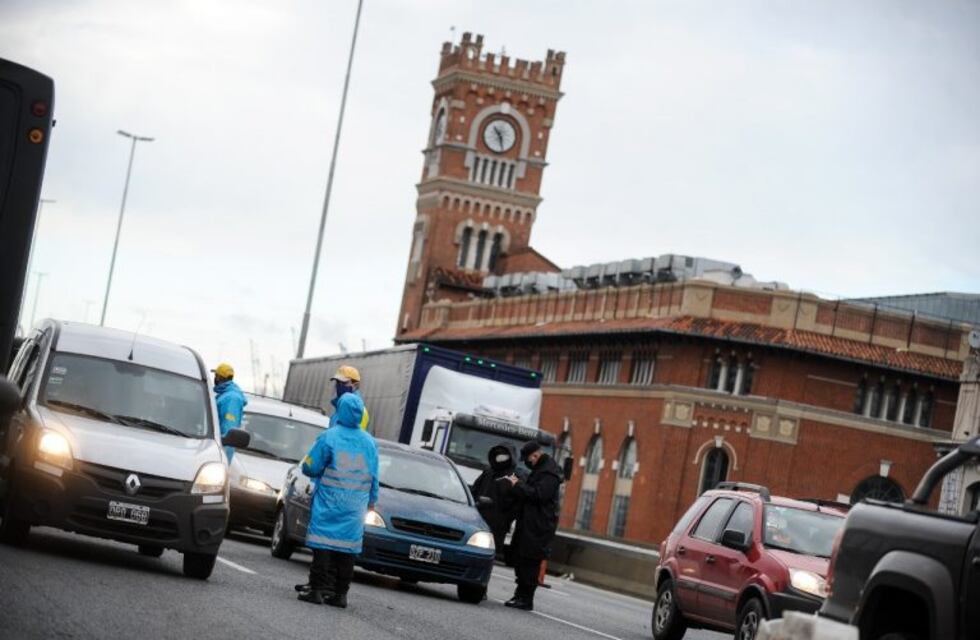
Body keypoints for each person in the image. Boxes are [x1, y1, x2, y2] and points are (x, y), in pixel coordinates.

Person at [296, 392, 379, 608]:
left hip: (330, 501)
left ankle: (316, 590)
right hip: (355, 506)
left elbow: (310, 466)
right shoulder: (370, 443)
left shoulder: (329, 437)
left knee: (323, 544)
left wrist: (311, 467)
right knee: (347, 551)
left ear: (340, 410)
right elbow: (374, 476)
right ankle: (340, 595)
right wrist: (372, 501)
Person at [504, 440, 563, 611]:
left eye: (528, 459)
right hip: (529, 524)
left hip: (538, 527)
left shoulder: (549, 474)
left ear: (536, 455)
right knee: (520, 559)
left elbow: (538, 495)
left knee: (530, 562)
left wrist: (518, 485)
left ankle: (525, 598)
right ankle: (519, 594)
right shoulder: (541, 470)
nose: (528, 463)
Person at [469, 443, 525, 555]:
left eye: (504, 456)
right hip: (478, 518)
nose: (500, 458)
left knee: (489, 553)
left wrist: (506, 517)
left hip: (498, 524)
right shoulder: (488, 472)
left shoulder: (514, 478)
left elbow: (518, 502)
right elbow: (474, 490)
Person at [212, 362, 247, 462]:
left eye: (215, 376)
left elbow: (228, 428)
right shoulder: (226, 395)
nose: (214, 378)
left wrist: (222, 457)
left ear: (218, 378)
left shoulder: (231, 398)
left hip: (220, 453)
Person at [330, 365, 370, 431]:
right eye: (337, 382)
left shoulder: (358, 411)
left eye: (344, 382)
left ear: (355, 385)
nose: (339, 386)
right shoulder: (338, 409)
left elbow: (354, 437)